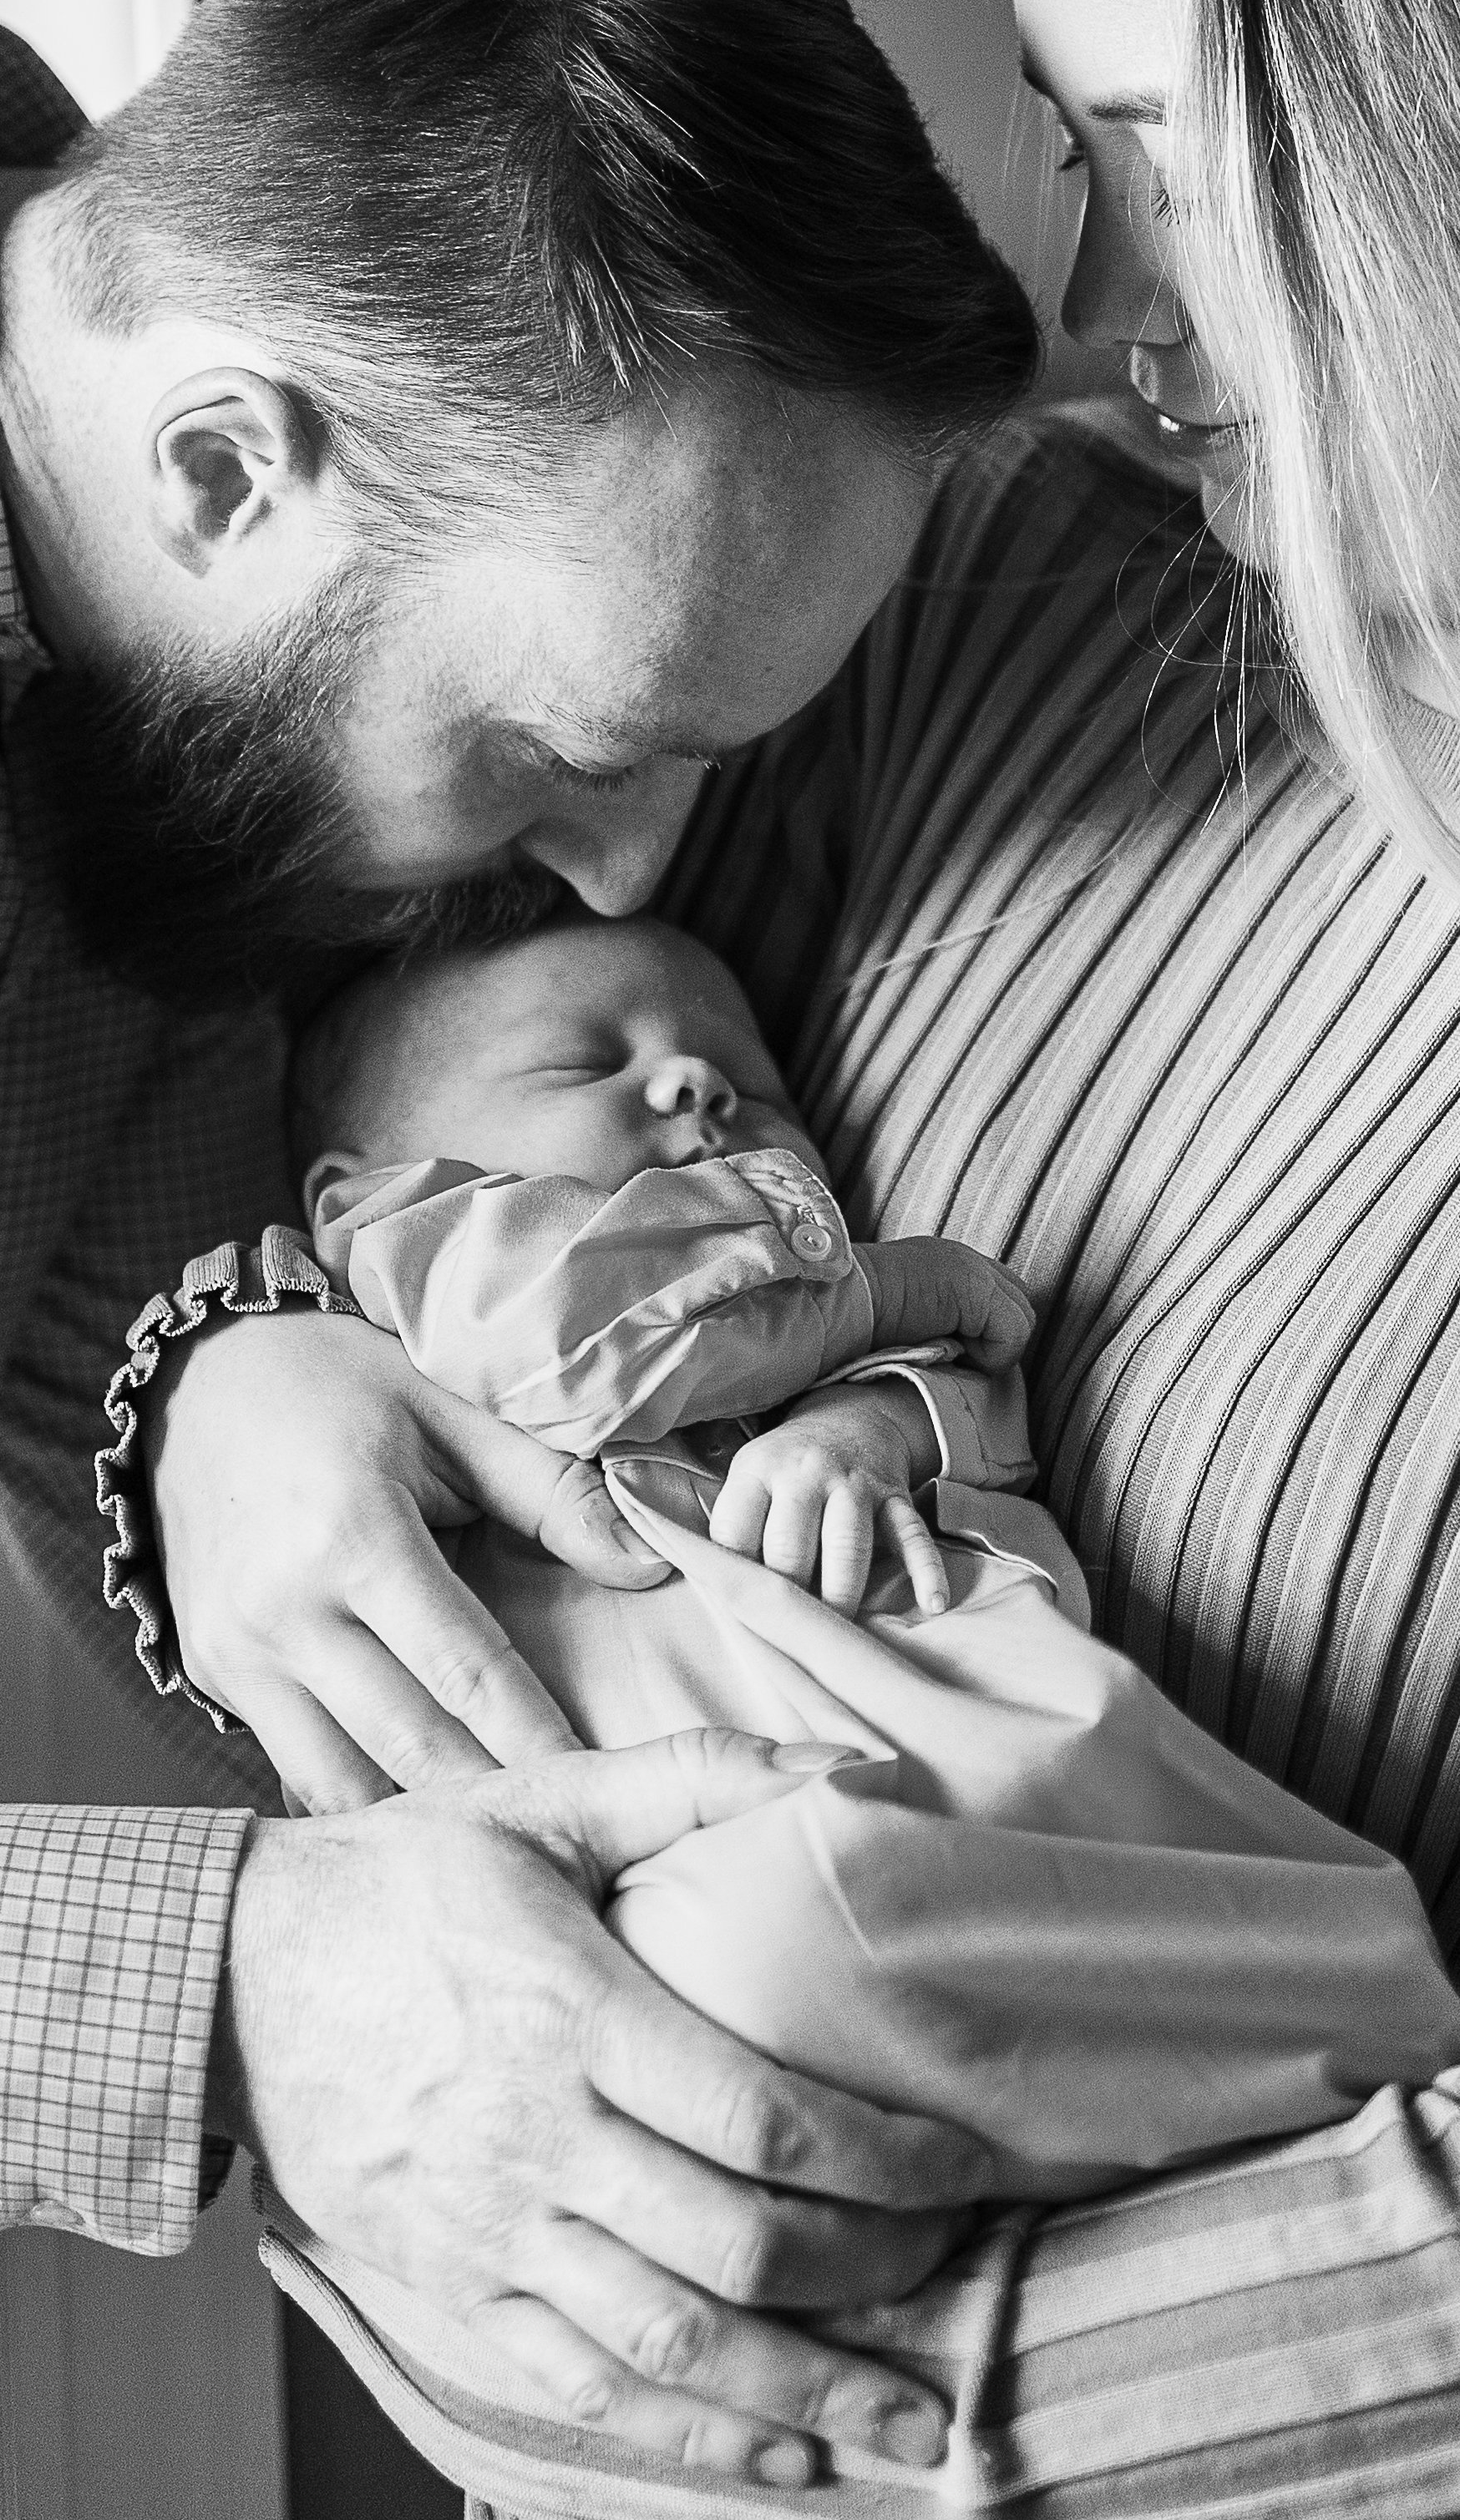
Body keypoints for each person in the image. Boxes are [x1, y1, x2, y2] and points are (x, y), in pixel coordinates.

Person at [0, 0, 1051, 2488]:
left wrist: (217, 1362)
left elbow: (192, 1384)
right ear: (225, 466)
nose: (625, 879)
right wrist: (233, 1986)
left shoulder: (146, 724)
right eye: (570, 747)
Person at [215, 0, 1460, 2507]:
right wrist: (233, 1368)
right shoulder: (993, 592)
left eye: (1163, 153)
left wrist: (755, 2385)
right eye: (1070, 157)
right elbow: (392, 1060)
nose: (1085, 304)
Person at [258, 908, 1459, 2204]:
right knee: (761, 1959)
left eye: (752, 1081)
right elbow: (578, 1343)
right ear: (352, 1194)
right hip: (654, 1858)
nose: (695, 1081)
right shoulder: (403, 1273)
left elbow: (977, 1407)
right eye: (585, 1062)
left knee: (1181, 1864)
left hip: (958, 1747)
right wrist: (874, 1281)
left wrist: (863, 1427)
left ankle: (1352, 2035)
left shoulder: (827, 1334)